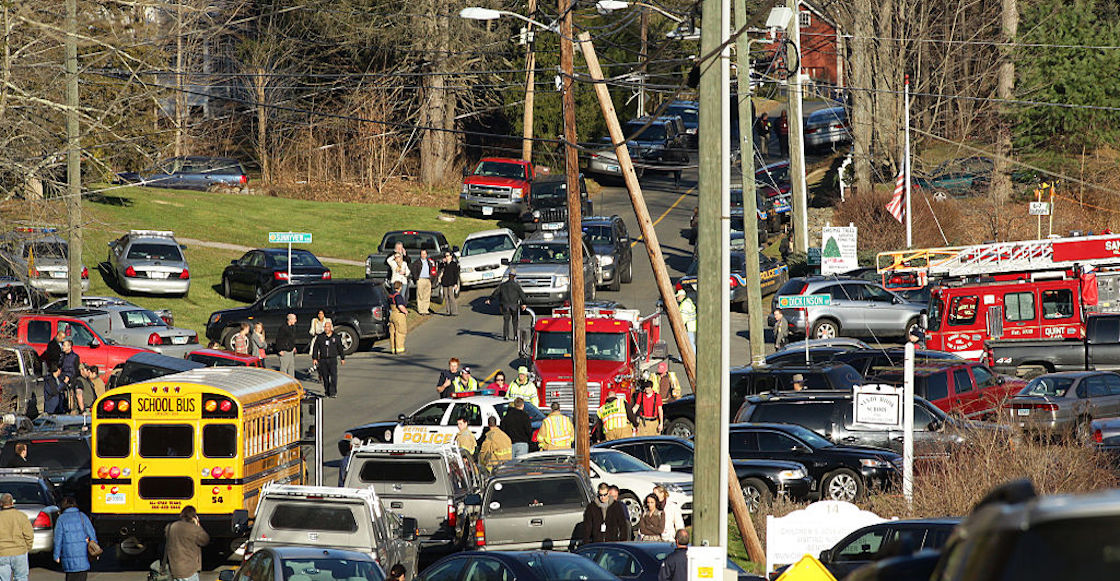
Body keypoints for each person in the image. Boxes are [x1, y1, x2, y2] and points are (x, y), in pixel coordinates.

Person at [52, 496, 97, 581]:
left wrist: (56, 555)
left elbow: (58, 539)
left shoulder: (61, 519)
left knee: (70, 577)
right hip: (83, 553)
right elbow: (92, 534)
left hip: (68, 553)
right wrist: (95, 549)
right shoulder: (82, 516)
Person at [165, 506, 209, 581]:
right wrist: (198, 524)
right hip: (190, 570)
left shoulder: (170, 527)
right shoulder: (194, 529)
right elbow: (205, 540)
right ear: (194, 517)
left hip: (175, 569)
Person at [487, 274, 529, 342]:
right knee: (515, 321)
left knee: (506, 321)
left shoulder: (503, 285)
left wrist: (490, 299)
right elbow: (522, 295)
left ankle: (506, 336)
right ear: (514, 277)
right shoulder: (516, 286)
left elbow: (496, 292)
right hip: (514, 306)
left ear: (508, 276)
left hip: (505, 305)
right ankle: (515, 336)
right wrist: (524, 303)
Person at [0, 493, 32, 581]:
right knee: (21, 577)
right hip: (19, 551)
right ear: (12, 503)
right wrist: (27, 547)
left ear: (1, 503)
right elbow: (29, 535)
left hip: (2, 552)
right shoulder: (21, 516)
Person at [312, 321, 346, 397]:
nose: (326, 328)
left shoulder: (336, 337)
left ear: (331, 328)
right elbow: (315, 348)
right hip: (323, 359)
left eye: (328, 327)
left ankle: (333, 392)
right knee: (325, 377)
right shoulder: (320, 337)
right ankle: (327, 391)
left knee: (334, 376)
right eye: (325, 327)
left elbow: (340, 348)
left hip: (332, 359)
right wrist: (314, 358)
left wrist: (342, 358)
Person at [411, 249, 437, 315]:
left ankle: (426, 309)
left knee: (427, 295)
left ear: (426, 255)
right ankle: (421, 310)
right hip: (420, 279)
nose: (423, 255)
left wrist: (431, 278)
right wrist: (416, 278)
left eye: (424, 254)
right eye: (422, 254)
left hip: (428, 280)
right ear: (420, 255)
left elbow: (433, 270)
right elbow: (413, 270)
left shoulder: (429, 262)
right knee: (420, 295)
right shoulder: (417, 262)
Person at [58, 340, 81, 411]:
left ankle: (71, 409)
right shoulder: (62, 355)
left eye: (64, 345)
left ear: (69, 347)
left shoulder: (74, 357)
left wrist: (68, 377)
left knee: (69, 395)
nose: (63, 347)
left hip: (70, 379)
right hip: (61, 377)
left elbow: (74, 369)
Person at [387, 281, 408, 355]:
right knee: (400, 332)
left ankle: (393, 349)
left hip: (392, 314)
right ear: (400, 287)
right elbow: (400, 306)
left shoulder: (390, 295)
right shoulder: (398, 296)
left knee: (392, 333)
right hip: (398, 314)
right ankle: (400, 349)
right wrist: (405, 312)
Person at [439, 251, 461, 316]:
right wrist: (443, 262)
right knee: (446, 297)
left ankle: (454, 310)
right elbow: (440, 268)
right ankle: (448, 311)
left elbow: (456, 274)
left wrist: (455, 283)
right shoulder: (444, 264)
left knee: (451, 296)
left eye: (448, 256)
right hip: (444, 282)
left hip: (451, 282)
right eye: (446, 256)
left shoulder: (453, 264)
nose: (446, 257)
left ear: (451, 256)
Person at [676, 290, 696, 355]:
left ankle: (693, 356)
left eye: (678, 297)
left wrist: (679, 326)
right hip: (691, 326)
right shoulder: (688, 301)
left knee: (688, 342)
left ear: (682, 296)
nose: (677, 298)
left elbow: (683, 318)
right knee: (690, 342)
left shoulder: (685, 305)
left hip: (688, 326)